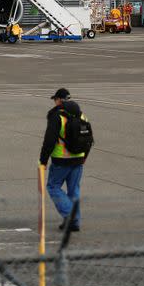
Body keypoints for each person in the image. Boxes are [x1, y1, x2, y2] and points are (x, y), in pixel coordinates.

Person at [39, 88, 89, 232]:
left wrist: (43, 160)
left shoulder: (57, 116)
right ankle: (74, 222)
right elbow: (88, 139)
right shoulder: (81, 115)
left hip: (61, 161)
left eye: (55, 99)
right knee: (74, 191)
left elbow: (49, 141)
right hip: (79, 159)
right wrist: (84, 156)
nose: (55, 102)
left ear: (59, 100)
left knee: (53, 187)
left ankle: (70, 215)